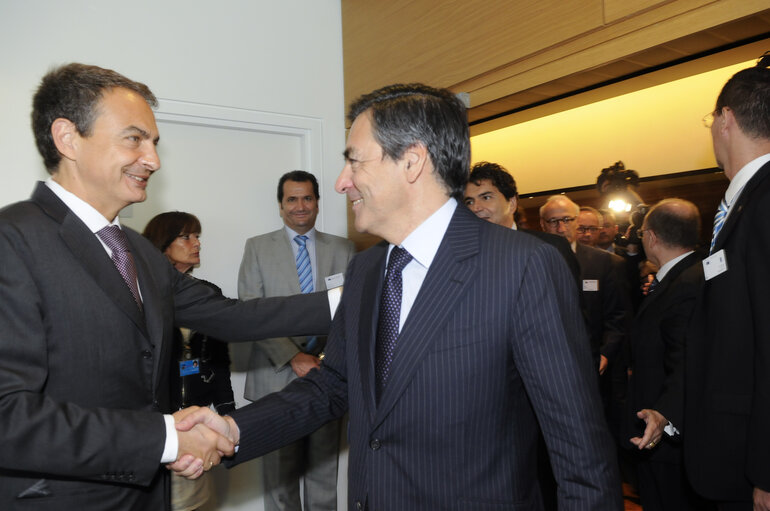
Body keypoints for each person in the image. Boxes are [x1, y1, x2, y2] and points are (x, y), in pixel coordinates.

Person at [180, 83, 622, 510]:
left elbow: (578, 445)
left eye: (354, 161)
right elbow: (335, 384)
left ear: (411, 162)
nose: (341, 182)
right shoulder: (369, 268)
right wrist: (234, 428)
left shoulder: (522, 266)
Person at [0, 63, 331, 510]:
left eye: (154, 143)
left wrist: (355, 298)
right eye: (134, 139)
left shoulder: (136, 250)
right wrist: (166, 439)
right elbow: (9, 416)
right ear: (67, 138)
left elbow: (233, 316)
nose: (153, 160)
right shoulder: (13, 241)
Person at [238, 170, 354, 511]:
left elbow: (350, 313)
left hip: (327, 376)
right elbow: (250, 311)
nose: (300, 206)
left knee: (323, 473)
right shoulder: (257, 248)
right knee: (279, 481)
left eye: (307, 198)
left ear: (317, 202)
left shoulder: (344, 248)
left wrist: (325, 359)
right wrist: (293, 357)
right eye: (292, 199)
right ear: (280, 205)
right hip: (274, 377)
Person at [684, 53, 770, 511]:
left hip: (749, 461)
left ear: (725, 120)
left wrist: (766, 472)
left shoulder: (764, 203)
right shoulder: (744, 203)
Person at [144, 211, 237, 511]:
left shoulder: (208, 294)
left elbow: (219, 359)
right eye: (187, 236)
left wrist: (227, 409)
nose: (197, 243)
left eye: (198, 236)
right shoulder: (144, 296)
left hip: (197, 419)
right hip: (156, 424)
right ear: (163, 245)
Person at [622, 199, 706, 511]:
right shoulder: (684, 274)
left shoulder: (686, 284)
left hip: (667, 437)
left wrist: (663, 415)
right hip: (662, 434)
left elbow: (684, 361)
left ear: (652, 237)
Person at [463, 161, 581, 285]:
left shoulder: (552, 246)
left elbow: (571, 301)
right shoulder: (462, 255)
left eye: (486, 198)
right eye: (469, 202)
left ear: (512, 203)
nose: (475, 208)